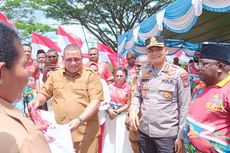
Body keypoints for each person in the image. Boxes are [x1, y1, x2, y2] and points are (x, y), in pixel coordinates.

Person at [30, 44, 103, 153]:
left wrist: (80, 119)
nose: (73, 63)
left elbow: (95, 102)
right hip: (61, 135)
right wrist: (37, 101)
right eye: (69, 60)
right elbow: (44, 92)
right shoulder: (55, 76)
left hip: (86, 135)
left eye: (76, 59)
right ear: (63, 59)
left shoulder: (90, 76)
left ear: (82, 58)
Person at [129, 36, 191, 153]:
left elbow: (185, 106)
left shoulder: (179, 74)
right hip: (144, 132)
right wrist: (133, 110)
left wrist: (181, 137)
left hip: (167, 136)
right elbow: (137, 96)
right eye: (151, 50)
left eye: (158, 49)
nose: (155, 53)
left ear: (166, 50)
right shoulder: (143, 72)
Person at [0, 22, 51, 153]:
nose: (27, 74)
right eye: (23, 66)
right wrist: (33, 140)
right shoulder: (26, 138)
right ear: (1, 72)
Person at [184, 44, 230, 153]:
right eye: (197, 62)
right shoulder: (200, 86)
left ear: (220, 67)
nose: (197, 67)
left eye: (203, 63)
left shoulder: (227, 90)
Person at [102, 67, 132, 153]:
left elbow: (128, 104)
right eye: (117, 75)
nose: (119, 77)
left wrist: (117, 111)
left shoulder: (128, 88)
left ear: (125, 76)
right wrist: (109, 110)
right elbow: (105, 100)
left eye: (121, 76)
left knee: (121, 136)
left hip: (121, 116)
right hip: (110, 115)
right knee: (109, 136)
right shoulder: (109, 87)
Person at [127, 55, 149, 153]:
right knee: (133, 142)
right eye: (136, 65)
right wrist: (128, 116)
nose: (136, 68)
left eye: (139, 66)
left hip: (146, 123)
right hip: (134, 120)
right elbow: (130, 100)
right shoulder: (134, 80)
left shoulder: (152, 81)